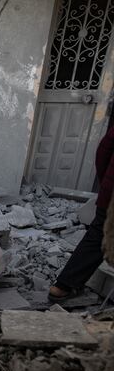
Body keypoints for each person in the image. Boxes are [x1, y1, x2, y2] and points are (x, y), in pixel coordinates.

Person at [49, 125, 114, 302]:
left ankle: (63, 285)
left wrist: (106, 183)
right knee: (99, 234)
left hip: (110, 193)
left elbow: (104, 151)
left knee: (97, 235)